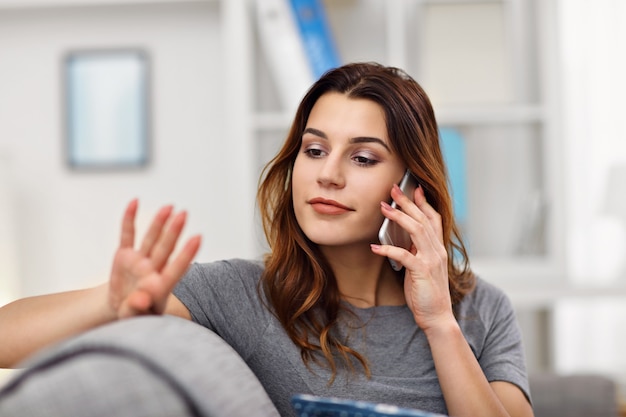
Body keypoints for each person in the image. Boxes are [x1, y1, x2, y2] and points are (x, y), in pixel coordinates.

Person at [0, 62, 533, 417]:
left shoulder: (479, 309)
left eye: (363, 157)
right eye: (315, 150)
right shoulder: (244, 293)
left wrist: (440, 323)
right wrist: (108, 303)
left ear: (414, 184)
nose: (328, 175)